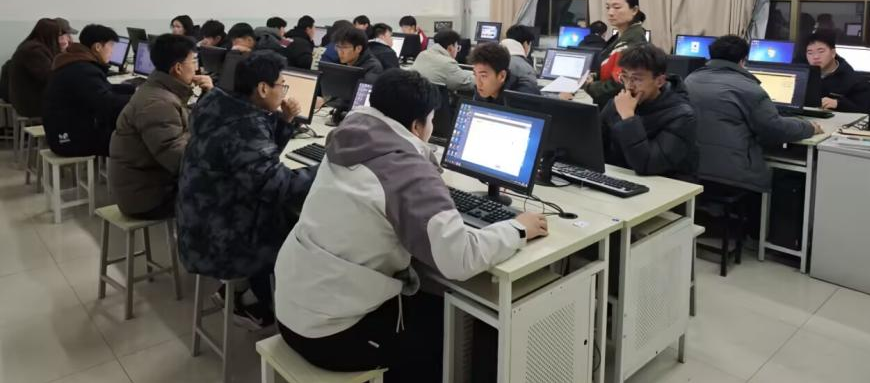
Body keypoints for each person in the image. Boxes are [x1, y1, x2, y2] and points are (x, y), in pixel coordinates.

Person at [274, 69, 547, 382]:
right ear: (418, 126)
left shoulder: (349, 139)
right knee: (457, 330)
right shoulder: (406, 169)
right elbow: (460, 259)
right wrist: (518, 229)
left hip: (293, 307)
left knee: (431, 305)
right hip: (332, 335)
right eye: (431, 121)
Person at [177, 51, 317, 329]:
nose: (284, 91)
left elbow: (254, 160)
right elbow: (279, 186)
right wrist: (327, 168)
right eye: (282, 85)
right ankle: (263, 304)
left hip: (200, 224)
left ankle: (242, 291)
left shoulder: (219, 104)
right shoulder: (244, 126)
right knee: (303, 232)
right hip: (221, 242)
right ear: (263, 88)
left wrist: (284, 121)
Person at [685, 35, 821, 193]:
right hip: (733, 174)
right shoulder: (749, 88)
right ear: (743, 61)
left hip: (692, 169)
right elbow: (774, 128)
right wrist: (808, 127)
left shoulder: (689, 80)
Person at [109, 35, 213, 219]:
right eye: (194, 61)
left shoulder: (158, 90)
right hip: (146, 197)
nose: (197, 67)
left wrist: (207, 95)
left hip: (146, 184)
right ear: (178, 68)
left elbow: (185, 129)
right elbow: (179, 161)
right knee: (227, 193)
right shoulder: (158, 103)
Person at [600, 44, 698, 177]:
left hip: (666, 184)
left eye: (636, 79)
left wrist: (628, 118)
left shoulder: (682, 115)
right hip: (621, 177)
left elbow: (647, 165)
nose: (629, 86)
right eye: (624, 77)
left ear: (659, 81)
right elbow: (594, 147)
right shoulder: (617, 104)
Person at [43, 25, 135, 157]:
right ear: (98, 47)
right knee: (137, 139)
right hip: (71, 140)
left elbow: (105, 89)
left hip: (64, 132)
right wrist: (139, 99)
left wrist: (134, 89)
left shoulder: (76, 61)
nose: (112, 51)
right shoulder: (83, 69)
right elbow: (107, 103)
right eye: (111, 46)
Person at [584, 0, 649, 108]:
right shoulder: (621, 35)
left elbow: (620, 84)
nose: (610, 12)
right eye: (608, 7)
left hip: (617, 108)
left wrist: (590, 86)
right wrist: (594, 76)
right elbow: (608, 67)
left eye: (617, 7)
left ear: (634, 10)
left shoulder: (633, 40)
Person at [804, 29, 870, 113]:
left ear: (833, 53)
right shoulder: (803, 75)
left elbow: (865, 109)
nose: (815, 57)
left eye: (821, 51)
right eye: (810, 53)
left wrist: (838, 103)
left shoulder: (852, 79)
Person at [9, 18, 61, 120]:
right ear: (50, 35)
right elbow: (49, 76)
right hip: (31, 104)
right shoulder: (33, 51)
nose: (59, 39)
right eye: (58, 35)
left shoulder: (31, 46)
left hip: (28, 100)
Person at [469, 42, 540, 104]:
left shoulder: (524, 96)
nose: (478, 83)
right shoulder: (481, 92)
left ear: (502, 76)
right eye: (475, 75)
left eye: (483, 76)